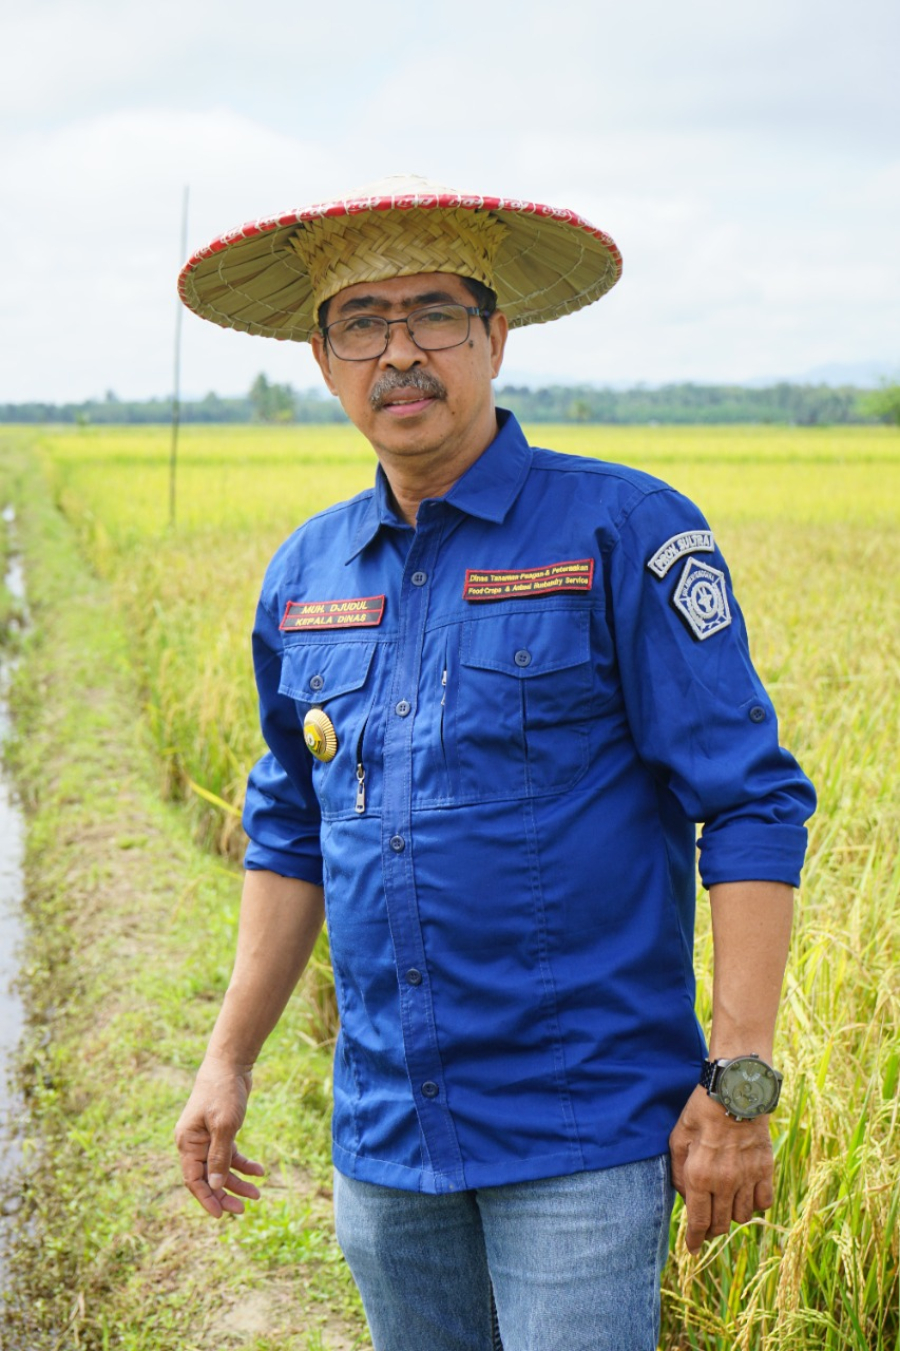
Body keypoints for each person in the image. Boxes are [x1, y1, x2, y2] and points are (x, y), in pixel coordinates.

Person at [175, 174, 816, 1351]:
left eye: (434, 313)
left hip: (579, 1137)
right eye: (362, 322)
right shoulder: (306, 576)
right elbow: (291, 831)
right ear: (322, 359)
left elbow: (752, 803)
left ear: (496, 336)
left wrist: (740, 1082)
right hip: (386, 1138)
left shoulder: (624, 531)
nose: (399, 352)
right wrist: (228, 1061)